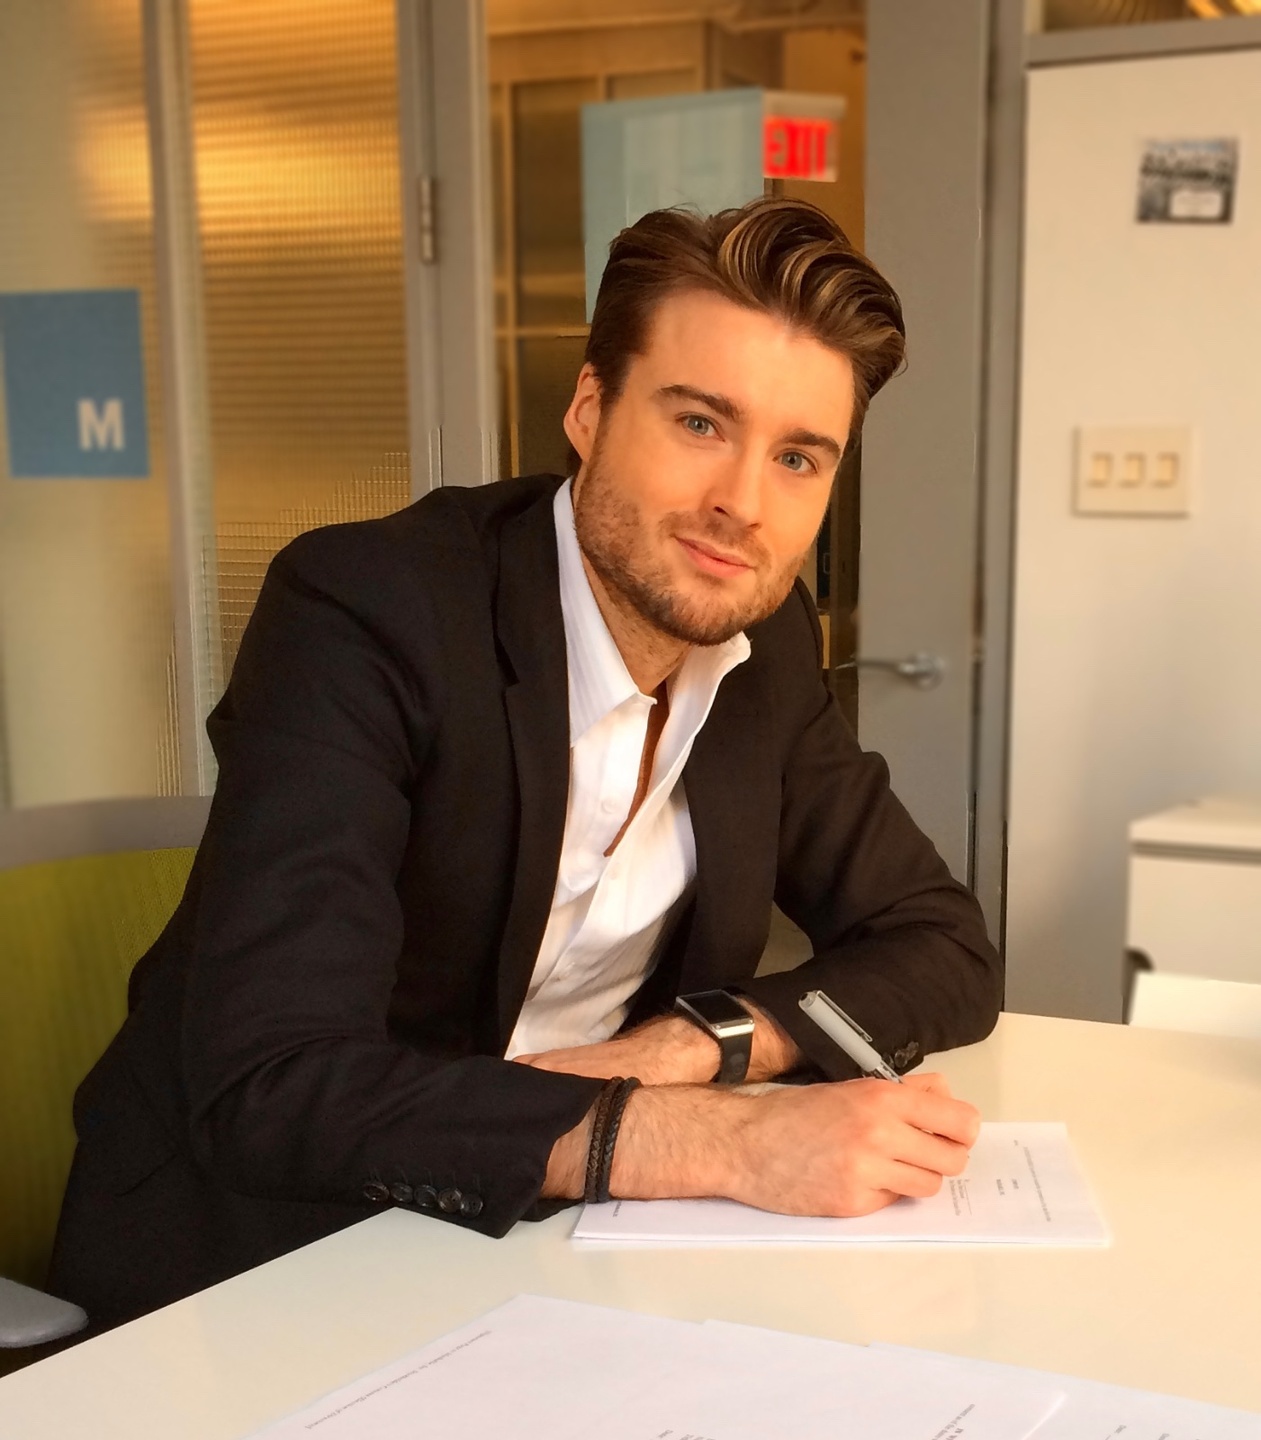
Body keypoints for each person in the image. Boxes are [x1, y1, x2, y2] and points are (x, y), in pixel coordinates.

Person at [50, 197, 1001, 1332]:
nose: (741, 506)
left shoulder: (766, 642)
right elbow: (276, 1085)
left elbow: (942, 946)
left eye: (797, 457)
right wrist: (720, 1139)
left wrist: (690, 1049)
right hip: (267, 1263)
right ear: (590, 410)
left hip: (551, 1251)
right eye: (700, 423)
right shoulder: (368, 609)